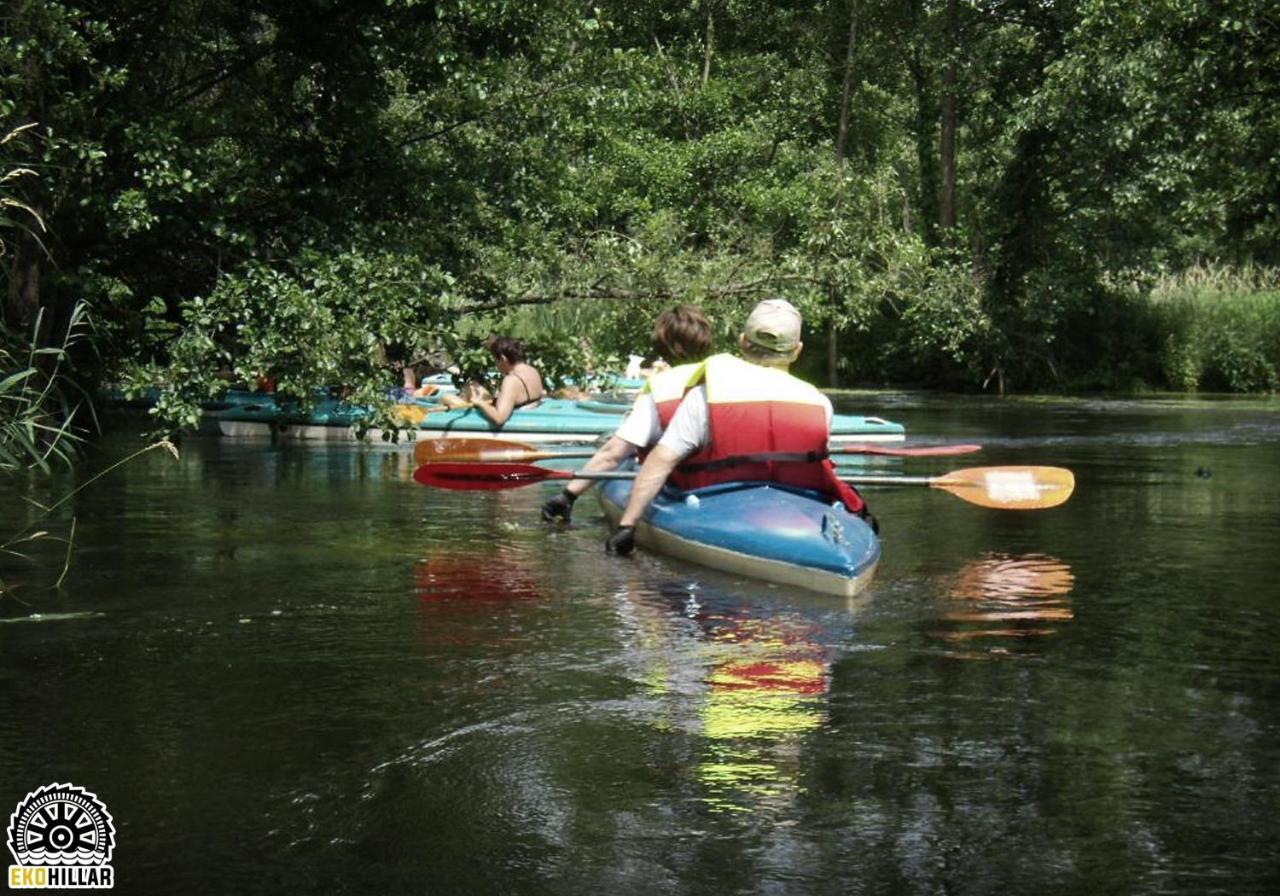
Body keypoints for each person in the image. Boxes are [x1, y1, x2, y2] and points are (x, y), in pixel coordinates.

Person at [604, 298, 873, 556]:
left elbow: (661, 460)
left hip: (711, 502)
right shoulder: (819, 403)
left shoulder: (705, 396)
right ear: (796, 350)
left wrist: (627, 525)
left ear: (743, 342)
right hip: (799, 507)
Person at [541, 305, 713, 523]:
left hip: (677, 486)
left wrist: (567, 495)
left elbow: (613, 454)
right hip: (725, 484)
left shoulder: (662, 386)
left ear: (662, 344)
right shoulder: (722, 380)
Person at [449, 336, 544, 428]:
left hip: (518, 414)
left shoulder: (511, 380)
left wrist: (480, 403)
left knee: (448, 398)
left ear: (503, 359)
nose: (496, 365)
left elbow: (499, 419)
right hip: (527, 406)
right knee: (472, 386)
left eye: (495, 360)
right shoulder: (532, 370)